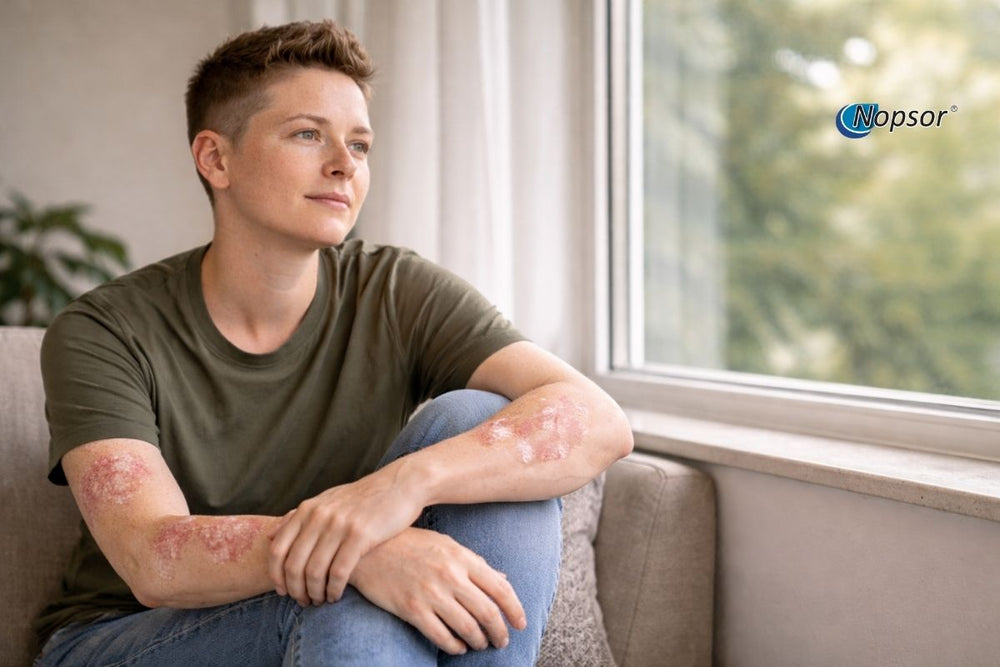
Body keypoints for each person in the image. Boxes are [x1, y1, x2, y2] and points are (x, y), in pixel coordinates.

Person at [33, 19, 632, 666]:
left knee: (477, 417)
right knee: (351, 601)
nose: (345, 164)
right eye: (307, 134)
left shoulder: (396, 288)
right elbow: (154, 558)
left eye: (361, 144)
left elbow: (599, 421)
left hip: (333, 625)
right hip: (126, 639)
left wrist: (406, 484)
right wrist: (364, 549)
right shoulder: (103, 330)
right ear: (216, 158)